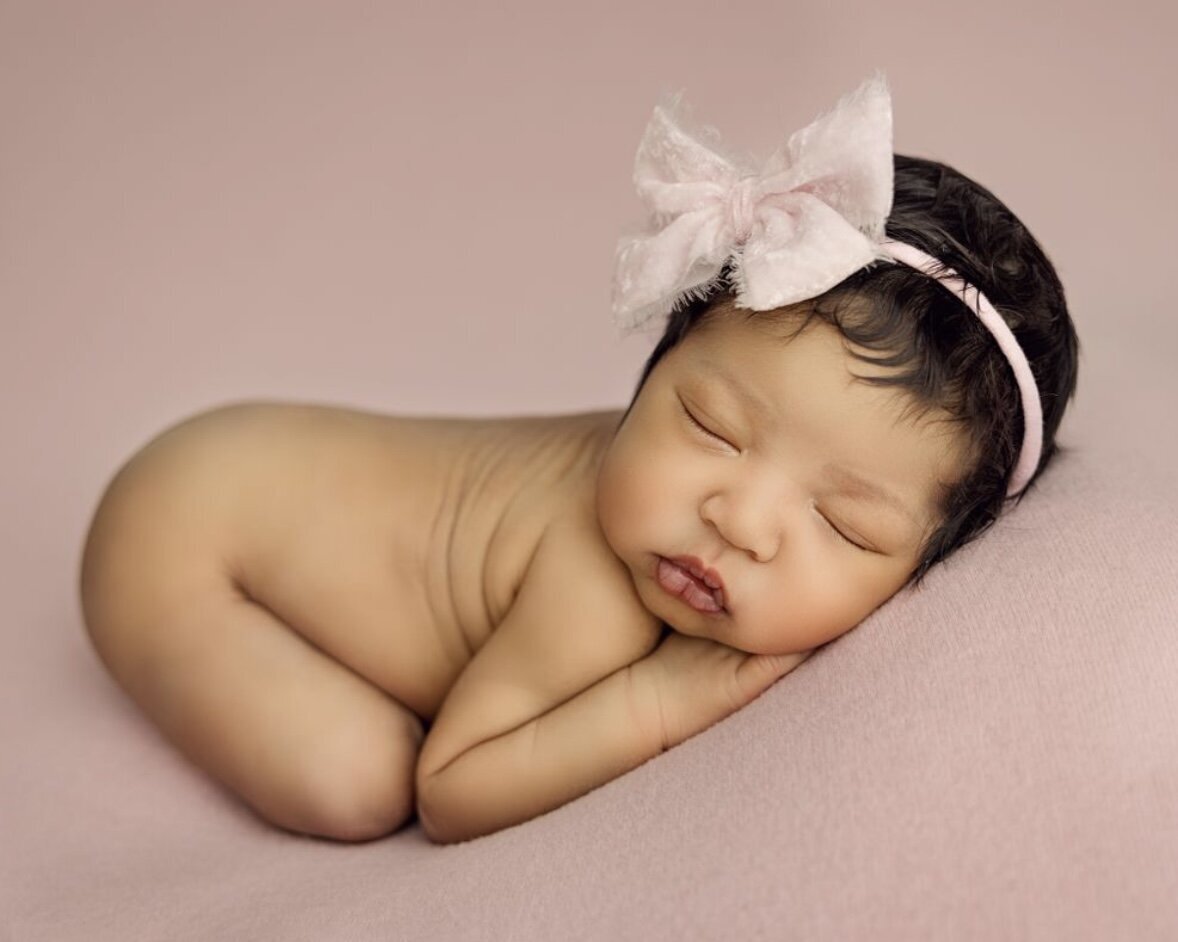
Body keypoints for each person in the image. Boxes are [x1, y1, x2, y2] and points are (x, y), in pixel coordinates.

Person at [77, 74, 1079, 846]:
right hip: (182, 525)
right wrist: (657, 701)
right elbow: (452, 789)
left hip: (248, 466)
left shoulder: (679, 504)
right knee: (359, 780)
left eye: (842, 524)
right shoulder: (592, 586)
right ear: (655, 367)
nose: (736, 515)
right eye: (708, 427)